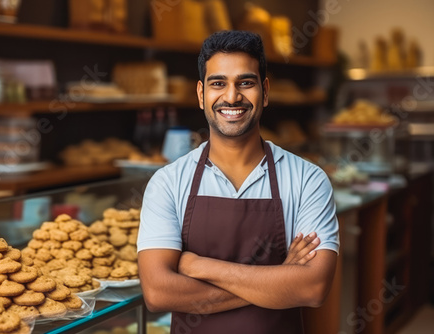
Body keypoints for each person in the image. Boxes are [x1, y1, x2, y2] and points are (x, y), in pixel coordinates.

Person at [137, 30, 339, 334]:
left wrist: (198, 266)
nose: (232, 97)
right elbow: (158, 293)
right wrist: (280, 279)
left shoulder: (307, 180)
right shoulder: (167, 182)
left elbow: (312, 288)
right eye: (218, 83)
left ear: (265, 91)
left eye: (246, 83)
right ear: (201, 94)